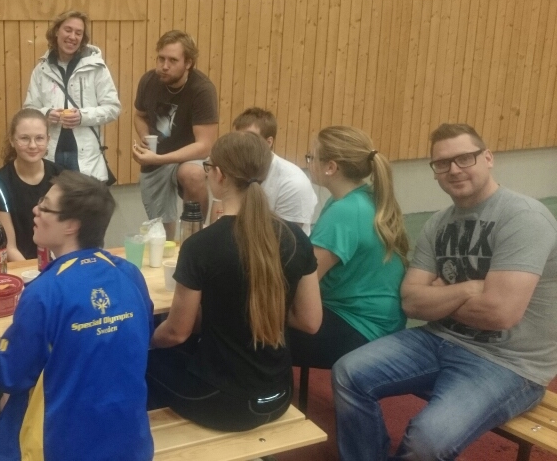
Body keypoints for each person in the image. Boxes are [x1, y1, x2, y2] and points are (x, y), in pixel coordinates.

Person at [333, 123, 557, 460]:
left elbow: (499, 313)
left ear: (488, 158)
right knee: (348, 373)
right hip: (437, 339)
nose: (454, 169)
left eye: (465, 158)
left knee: (428, 441)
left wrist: (441, 295)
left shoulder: (523, 218)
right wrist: (469, 289)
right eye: (442, 163)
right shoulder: (439, 223)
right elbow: (410, 301)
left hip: (508, 363)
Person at [148, 131, 321, 431]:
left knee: (139, 364)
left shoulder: (201, 246)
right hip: (279, 395)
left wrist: (145, 341)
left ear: (219, 174)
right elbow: (310, 320)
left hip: (225, 404)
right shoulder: (296, 238)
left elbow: (177, 332)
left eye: (207, 167)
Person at [0, 171, 154, 460]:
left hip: (59, 450)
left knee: (11, 401)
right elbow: (142, 336)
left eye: (45, 207)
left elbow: (10, 376)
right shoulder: (130, 274)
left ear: (71, 226)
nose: (35, 210)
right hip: (132, 446)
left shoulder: (44, 291)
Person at [287, 126, 408, 370]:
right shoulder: (364, 197)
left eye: (311, 157)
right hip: (379, 321)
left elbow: (303, 281)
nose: (309, 163)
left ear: (331, 167)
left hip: (360, 329)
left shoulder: (344, 212)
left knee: (247, 326)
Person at [132, 30, 218, 236]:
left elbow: (204, 146)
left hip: (188, 157)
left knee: (192, 174)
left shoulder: (202, 90)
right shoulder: (148, 81)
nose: (164, 66)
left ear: (188, 63)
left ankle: (195, 235)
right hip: (156, 158)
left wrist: (161, 158)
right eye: (161, 58)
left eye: (172, 60)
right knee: (161, 234)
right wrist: (144, 137)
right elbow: (139, 115)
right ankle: (168, 241)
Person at [22, 10, 120, 182]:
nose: (72, 37)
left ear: (83, 38)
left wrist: (82, 116)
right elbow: (29, 109)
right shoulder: (41, 70)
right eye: (68, 30)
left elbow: (113, 108)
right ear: (56, 31)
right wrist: (46, 114)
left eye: (78, 33)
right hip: (49, 154)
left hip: (86, 157)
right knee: (52, 198)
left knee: (83, 199)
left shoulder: (97, 68)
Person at [0, 108, 62, 261]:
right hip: (20, 265)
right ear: (12, 140)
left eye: (39, 138)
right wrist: (33, 272)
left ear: (48, 140)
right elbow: (9, 247)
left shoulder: (61, 176)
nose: (32, 145)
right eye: (24, 138)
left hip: (56, 263)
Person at [232, 107, 318, 234]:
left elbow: (288, 238)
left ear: (268, 142)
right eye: (235, 138)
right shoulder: (231, 167)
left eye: (249, 139)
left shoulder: (294, 182)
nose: (239, 145)